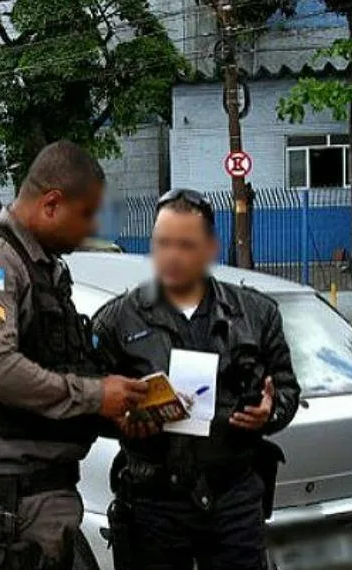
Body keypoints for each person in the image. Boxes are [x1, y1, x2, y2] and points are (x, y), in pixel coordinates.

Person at [0, 140, 149, 569]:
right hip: (7, 500)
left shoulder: (43, 267)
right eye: (86, 215)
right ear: (51, 203)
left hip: (35, 494)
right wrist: (96, 396)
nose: (90, 230)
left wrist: (111, 409)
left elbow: (53, 366)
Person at [92, 189, 300, 570]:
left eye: (185, 245)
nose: (171, 255)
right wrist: (120, 418)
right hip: (152, 505)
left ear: (209, 248)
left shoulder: (255, 314)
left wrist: (269, 413)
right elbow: (90, 403)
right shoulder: (117, 321)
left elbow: (286, 390)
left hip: (233, 500)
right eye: (162, 243)